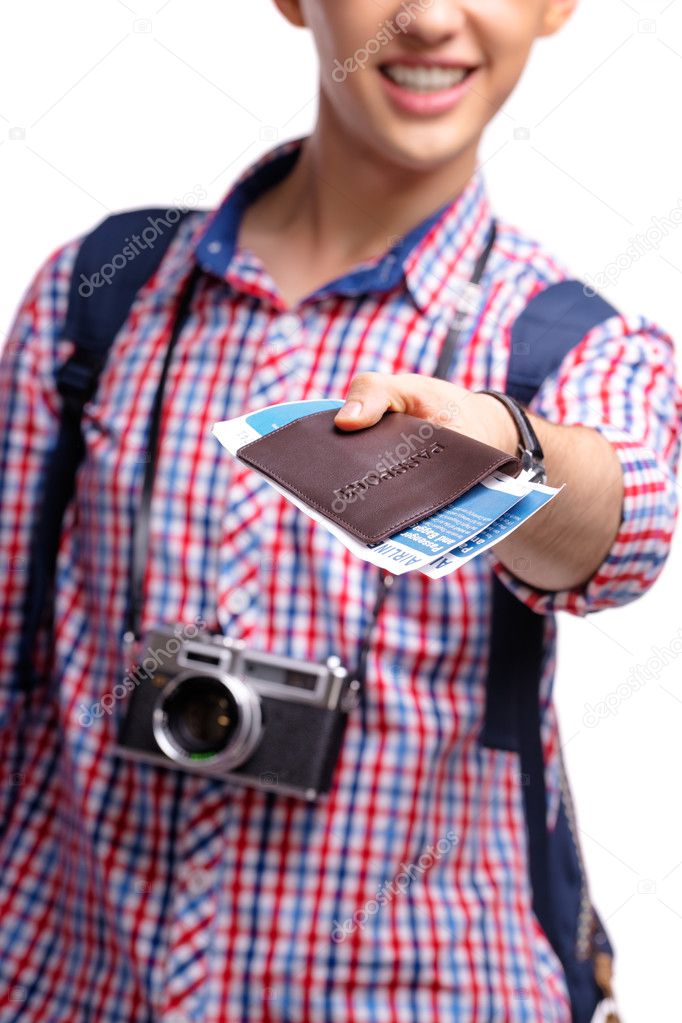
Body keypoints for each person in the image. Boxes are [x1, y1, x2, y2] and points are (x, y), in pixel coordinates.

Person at [0, 1, 679, 1020]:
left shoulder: (567, 346)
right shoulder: (103, 294)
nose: (433, 18)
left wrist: (508, 450)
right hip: (68, 975)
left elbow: (622, 531)